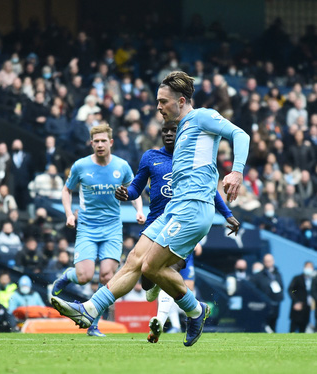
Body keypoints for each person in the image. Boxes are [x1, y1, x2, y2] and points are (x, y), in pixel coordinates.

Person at [51, 71, 250, 347]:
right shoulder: (181, 129)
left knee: (150, 267)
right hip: (174, 208)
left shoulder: (203, 116)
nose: (158, 106)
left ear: (181, 101)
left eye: (163, 101)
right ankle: (91, 309)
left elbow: (240, 135)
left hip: (193, 209)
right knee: (134, 259)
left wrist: (236, 172)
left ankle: (195, 310)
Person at [115, 119, 239, 343]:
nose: (169, 134)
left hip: (182, 224)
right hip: (154, 225)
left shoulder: (192, 159)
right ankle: (163, 298)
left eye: (174, 130)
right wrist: (127, 194)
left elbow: (210, 191)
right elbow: (136, 187)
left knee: (167, 271)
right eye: (165, 131)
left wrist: (227, 213)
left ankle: (161, 323)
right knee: (149, 279)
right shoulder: (151, 157)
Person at [51, 123, 145, 337]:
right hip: (87, 227)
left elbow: (135, 191)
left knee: (106, 276)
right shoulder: (80, 166)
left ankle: (93, 323)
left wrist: (139, 210)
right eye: (96, 141)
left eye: (104, 141)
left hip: (112, 227)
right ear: (91, 143)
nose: (100, 145)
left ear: (111, 142)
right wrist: (68, 214)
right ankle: (67, 276)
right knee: (84, 276)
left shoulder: (121, 166)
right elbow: (66, 191)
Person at [250, 253, 284, 333]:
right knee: (263, 327)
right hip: (263, 305)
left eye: (270, 261)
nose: (268, 263)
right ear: (264, 262)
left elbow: (281, 288)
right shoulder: (259, 276)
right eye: (266, 261)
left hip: (275, 304)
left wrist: (280, 298)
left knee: (273, 327)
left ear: (273, 261)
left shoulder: (278, 274)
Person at [287, 261, 314, 333]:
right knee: (293, 331)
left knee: (303, 331)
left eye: (310, 267)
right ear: (304, 268)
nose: (308, 269)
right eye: (307, 267)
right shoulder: (297, 278)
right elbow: (291, 290)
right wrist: (296, 301)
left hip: (307, 308)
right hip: (297, 308)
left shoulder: (314, 280)